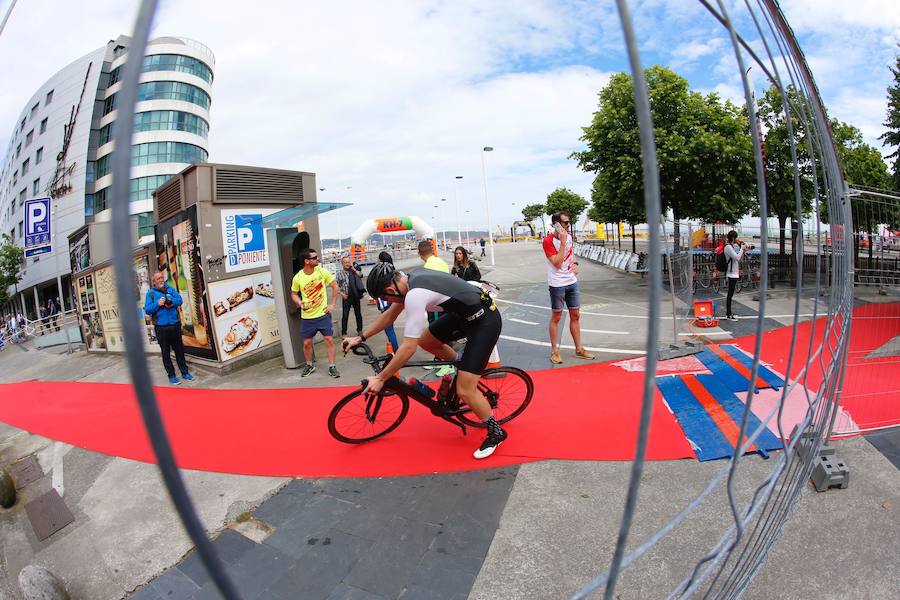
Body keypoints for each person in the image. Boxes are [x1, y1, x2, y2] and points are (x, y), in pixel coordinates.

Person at [344, 263, 507, 459]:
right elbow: (389, 317)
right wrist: (360, 338)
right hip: (464, 315)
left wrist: (380, 378)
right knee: (426, 340)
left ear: (389, 290)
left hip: (484, 321)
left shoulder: (415, 294)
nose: (387, 302)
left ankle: (496, 432)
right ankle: (461, 362)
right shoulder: (407, 283)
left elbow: (408, 347)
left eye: (384, 298)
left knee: (464, 390)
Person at [543, 210, 594, 364]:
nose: (568, 225)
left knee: (575, 315)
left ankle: (578, 348)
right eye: (565, 223)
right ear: (556, 224)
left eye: (568, 222)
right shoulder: (548, 241)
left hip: (571, 281)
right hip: (557, 284)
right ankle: (555, 351)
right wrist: (563, 242)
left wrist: (575, 263)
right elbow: (557, 263)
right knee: (556, 317)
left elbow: (570, 255)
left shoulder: (570, 238)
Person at [290, 248, 341, 378]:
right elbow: (294, 294)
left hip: (323, 315)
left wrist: (332, 305)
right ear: (307, 261)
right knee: (307, 343)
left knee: (329, 340)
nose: (318, 259)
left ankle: (332, 366)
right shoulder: (298, 277)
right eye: (314, 258)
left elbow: (335, 287)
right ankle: (309, 365)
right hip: (307, 317)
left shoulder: (322, 272)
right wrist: (300, 303)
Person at [144, 271, 194, 385]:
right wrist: (158, 303)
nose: (160, 280)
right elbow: (147, 309)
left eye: (161, 277)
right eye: (158, 279)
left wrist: (170, 301)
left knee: (179, 350)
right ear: (154, 281)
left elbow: (180, 300)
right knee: (166, 352)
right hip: (161, 328)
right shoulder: (150, 294)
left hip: (175, 325)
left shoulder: (170, 289)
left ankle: (185, 372)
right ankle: (171, 375)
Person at [335, 256, 365, 338]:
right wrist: (342, 294)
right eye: (345, 262)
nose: (347, 264)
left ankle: (360, 330)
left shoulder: (353, 271)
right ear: (342, 264)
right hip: (346, 296)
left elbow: (361, 275)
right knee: (345, 315)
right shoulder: (339, 273)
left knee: (358, 314)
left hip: (355, 296)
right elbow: (336, 286)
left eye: (349, 262)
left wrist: (354, 268)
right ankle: (344, 333)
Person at [376, 251, 400, 353]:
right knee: (390, 328)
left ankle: (396, 352)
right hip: (393, 301)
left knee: (389, 329)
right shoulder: (393, 271)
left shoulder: (381, 272)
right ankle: (396, 350)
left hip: (386, 303)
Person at [724, 230, 748, 321]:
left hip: (734, 273)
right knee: (730, 295)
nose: (736, 239)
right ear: (733, 238)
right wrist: (742, 248)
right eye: (736, 237)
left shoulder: (731, 246)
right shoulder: (728, 247)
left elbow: (738, 258)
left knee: (731, 294)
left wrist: (743, 249)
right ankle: (728, 314)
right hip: (731, 274)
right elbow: (737, 258)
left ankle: (729, 312)